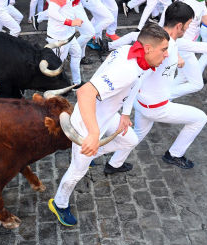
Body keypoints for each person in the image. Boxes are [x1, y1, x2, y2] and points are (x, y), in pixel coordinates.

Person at [98, 1, 207, 169]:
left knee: (137, 135)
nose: (190, 28)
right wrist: (125, 112)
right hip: (155, 107)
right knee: (200, 118)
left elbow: (193, 45)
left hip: (143, 103)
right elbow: (137, 77)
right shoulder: (163, 49)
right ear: (179, 25)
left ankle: (114, 164)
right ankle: (174, 154)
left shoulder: (166, 40)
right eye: (189, 25)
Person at [49, 23, 170, 226]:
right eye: (164, 49)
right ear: (148, 48)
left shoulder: (131, 53)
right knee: (77, 171)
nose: (166, 55)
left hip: (107, 116)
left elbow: (132, 79)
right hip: (87, 121)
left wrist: (125, 113)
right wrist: (94, 134)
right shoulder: (127, 70)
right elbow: (84, 92)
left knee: (130, 139)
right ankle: (59, 203)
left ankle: (91, 153)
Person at [46, 0, 84, 86]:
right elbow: (51, 12)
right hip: (60, 38)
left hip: (69, 35)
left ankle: (77, 83)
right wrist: (70, 22)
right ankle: (56, 87)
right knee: (57, 64)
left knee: (77, 53)